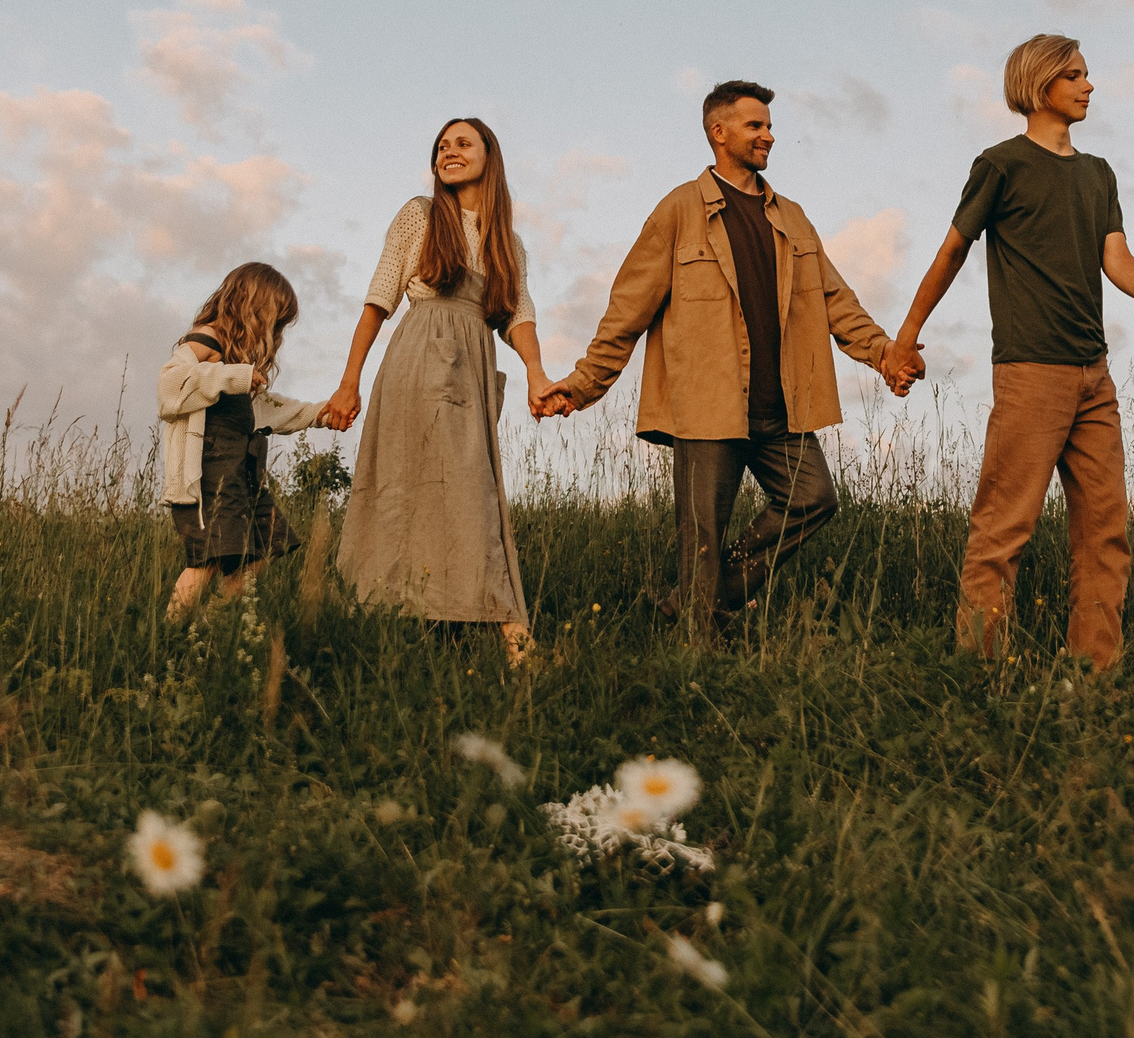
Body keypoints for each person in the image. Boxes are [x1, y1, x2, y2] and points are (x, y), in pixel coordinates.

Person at [535, 80, 921, 639]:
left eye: (768, 125)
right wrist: (581, 385)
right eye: (755, 125)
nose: (769, 135)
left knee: (813, 499)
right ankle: (699, 654)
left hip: (782, 405)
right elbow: (627, 309)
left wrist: (884, 353)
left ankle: (701, 600)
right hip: (707, 406)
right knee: (703, 536)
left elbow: (835, 300)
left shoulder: (791, 217)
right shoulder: (678, 211)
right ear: (719, 133)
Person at [887, 34, 1134, 668]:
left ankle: (1095, 673)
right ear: (1039, 85)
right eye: (1075, 75)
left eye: (1088, 75)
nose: (1088, 86)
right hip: (1031, 373)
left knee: (1106, 533)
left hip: (1093, 372)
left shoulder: (1098, 173)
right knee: (1004, 528)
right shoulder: (1001, 164)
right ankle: (979, 672)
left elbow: (1115, 256)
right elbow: (952, 252)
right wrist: (906, 336)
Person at [321, 118, 549, 663]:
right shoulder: (419, 217)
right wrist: (348, 382)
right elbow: (378, 299)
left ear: (488, 156)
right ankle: (513, 641)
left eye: (462, 143)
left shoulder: (507, 241)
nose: (449, 152)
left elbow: (518, 314)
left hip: (471, 364)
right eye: (442, 146)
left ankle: (454, 629)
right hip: (419, 358)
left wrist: (537, 376)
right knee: (423, 492)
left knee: (469, 491)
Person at [157, 261, 325, 619]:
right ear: (251, 304)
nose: (276, 329)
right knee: (209, 561)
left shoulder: (238, 360)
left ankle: (211, 626)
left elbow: (268, 410)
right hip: (207, 476)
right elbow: (170, 386)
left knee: (266, 546)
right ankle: (170, 636)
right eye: (275, 316)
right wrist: (233, 376)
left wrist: (320, 413)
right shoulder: (206, 338)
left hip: (243, 477)